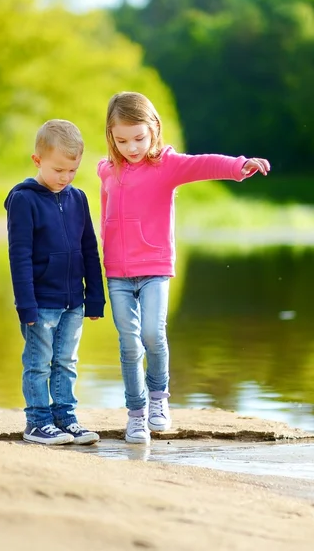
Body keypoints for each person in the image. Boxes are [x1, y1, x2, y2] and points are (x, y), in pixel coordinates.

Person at [99, 91, 271, 444]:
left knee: (151, 334)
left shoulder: (166, 164)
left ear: (154, 130)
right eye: (122, 140)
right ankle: (135, 414)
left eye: (139, 138)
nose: (131, 147)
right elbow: (105, 219)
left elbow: (204, 163)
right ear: (111, 137)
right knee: (129, 344)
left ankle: (159, 400)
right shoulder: (107, 170)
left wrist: (240, 166)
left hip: (155, 268)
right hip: (117, 271)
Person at [5, 119, 106, 446]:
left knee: (66, 362)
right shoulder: (24, 200)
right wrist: (26, 305)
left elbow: (90, 250)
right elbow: (19, 256)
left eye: (72, 171)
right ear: (38, 160)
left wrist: (95, 298)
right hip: (40, 301)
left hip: (73, 301)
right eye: (58, 170)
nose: (65, 178)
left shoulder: (78, 198)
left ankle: (66, 417)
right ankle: (37, 421)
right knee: (39, 363)